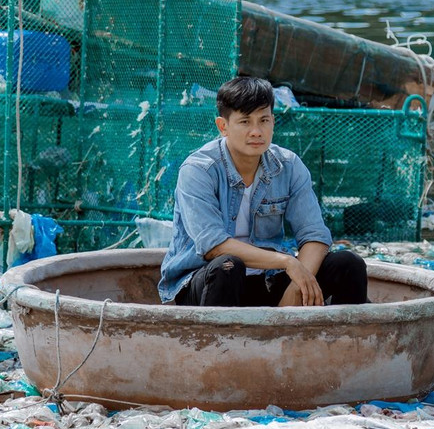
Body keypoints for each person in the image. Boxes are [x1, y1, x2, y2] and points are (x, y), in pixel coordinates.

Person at [158, 76, 369, 308]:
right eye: (245, 122)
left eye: (264, 120)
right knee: (228, 265)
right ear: (223, 126)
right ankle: (219, 334)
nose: (256, 131)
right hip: (207, 280)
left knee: (348, 264)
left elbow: (315, 235)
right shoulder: (199, 170)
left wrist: (296, 286)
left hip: (267, 278)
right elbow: (213, 245)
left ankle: (339, 332)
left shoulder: (288, 165)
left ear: (273, 122)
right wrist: (288, 262)